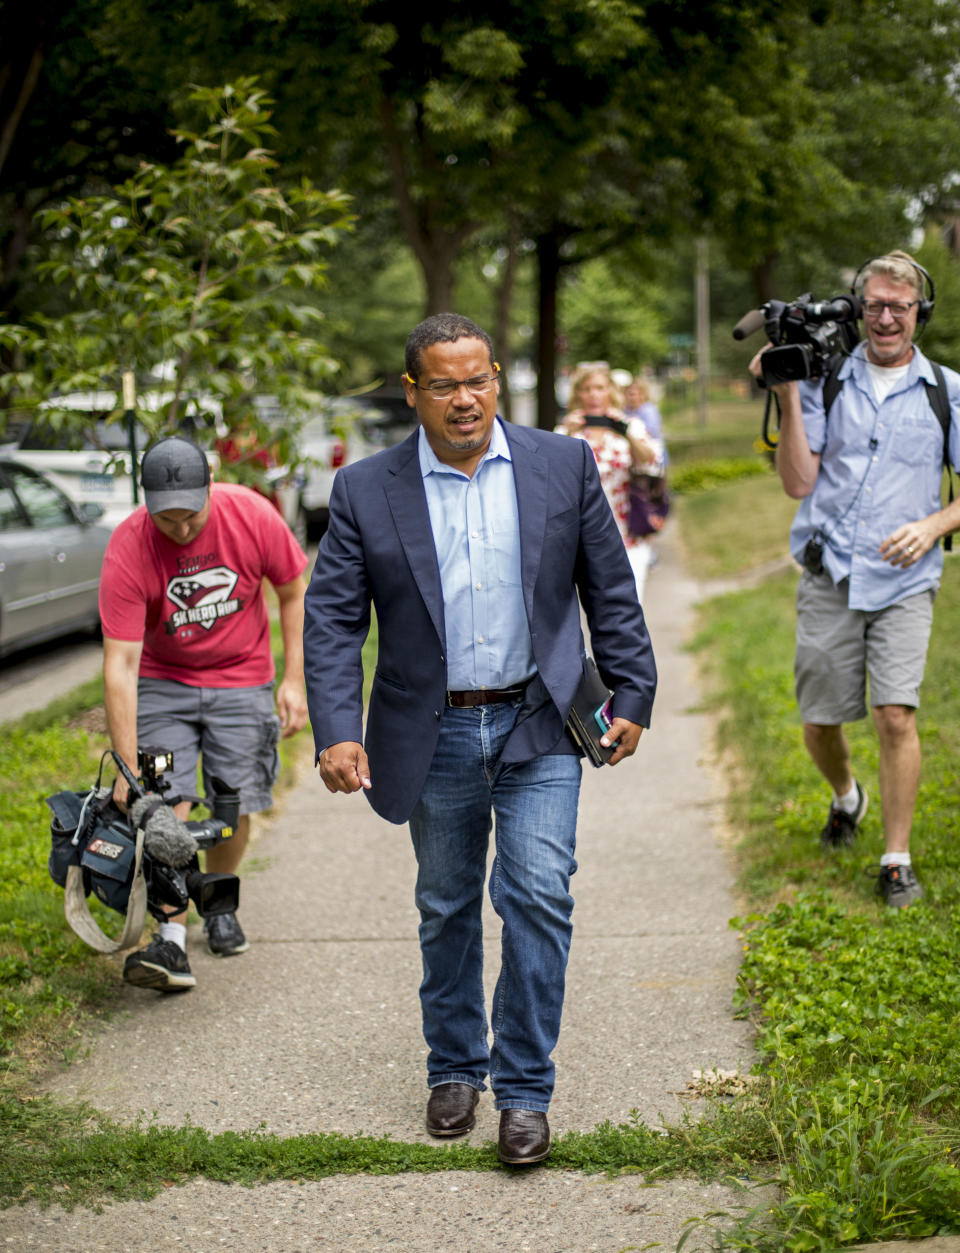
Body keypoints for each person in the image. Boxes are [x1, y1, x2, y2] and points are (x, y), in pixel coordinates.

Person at [303, 314, 656, 1165]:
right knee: (447, 902)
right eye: (446, 384)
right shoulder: (365, 489)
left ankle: (526, 1088)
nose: (466, 399)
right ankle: (455, 1066)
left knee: (538, 892)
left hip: (540, 718)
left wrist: (634, 689)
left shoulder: (559, 464)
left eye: (479, 380)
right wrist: (336, 730)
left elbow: (609, 589)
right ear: (412, 389)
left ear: (497, 377)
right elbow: (332, 619)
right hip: (434, 726)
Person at [748, 250, 960, 907]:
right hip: (831, 572)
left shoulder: (946, 391)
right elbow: (797, 483)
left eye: (900, 305)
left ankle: (895, 858)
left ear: (919, 313)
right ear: (859, 309)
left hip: (905, 579)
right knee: (819, 720)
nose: (887, 317)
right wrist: (786, 387)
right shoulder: (827, 380)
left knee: (894, 714)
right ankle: (847, 794)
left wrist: (932, 526)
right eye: (875, 305)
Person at [98, 435, 309, 990]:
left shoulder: (251, 514)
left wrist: (293, 680)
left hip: (241, 677)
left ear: (210, 488)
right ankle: (170, 941)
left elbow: (293, 591)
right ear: (146, 505)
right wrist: (126, 767)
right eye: (168, 521)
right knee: (165, 804)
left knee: (233, 801)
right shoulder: (129, 545)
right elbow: (119, 664)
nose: (183, 530)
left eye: (191, 516)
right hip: (164, 682)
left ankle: (218, 903)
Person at [554, 362, 664, 603]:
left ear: (610, 392)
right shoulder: (566, 430)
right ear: (577, 393)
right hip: (582, 538)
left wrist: (625, 432)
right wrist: (568, 434)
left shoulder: (629, 426)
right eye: (587, 388)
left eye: (600, 388)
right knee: (589, 614)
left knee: (631, 609)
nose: (594, 395)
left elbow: (651, 463)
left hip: (627, 533)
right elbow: (550, 477)